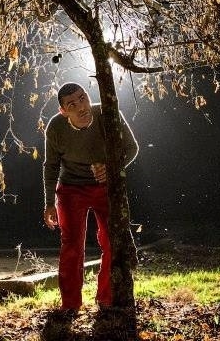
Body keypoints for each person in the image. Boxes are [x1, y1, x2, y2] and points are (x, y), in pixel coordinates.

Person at [42, 82, 139, 312]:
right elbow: (51, 166)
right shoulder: (55, 128)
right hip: (71, 189)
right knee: (72, 245)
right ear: (63, 111)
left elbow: (132, 148)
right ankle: (70, 306)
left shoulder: (107, 114)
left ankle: (106, 299)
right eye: (72, 105)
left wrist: (112, 168)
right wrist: (48, 203)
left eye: (82, 98)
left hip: (104, 187)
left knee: (112, 242)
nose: (81, 107)